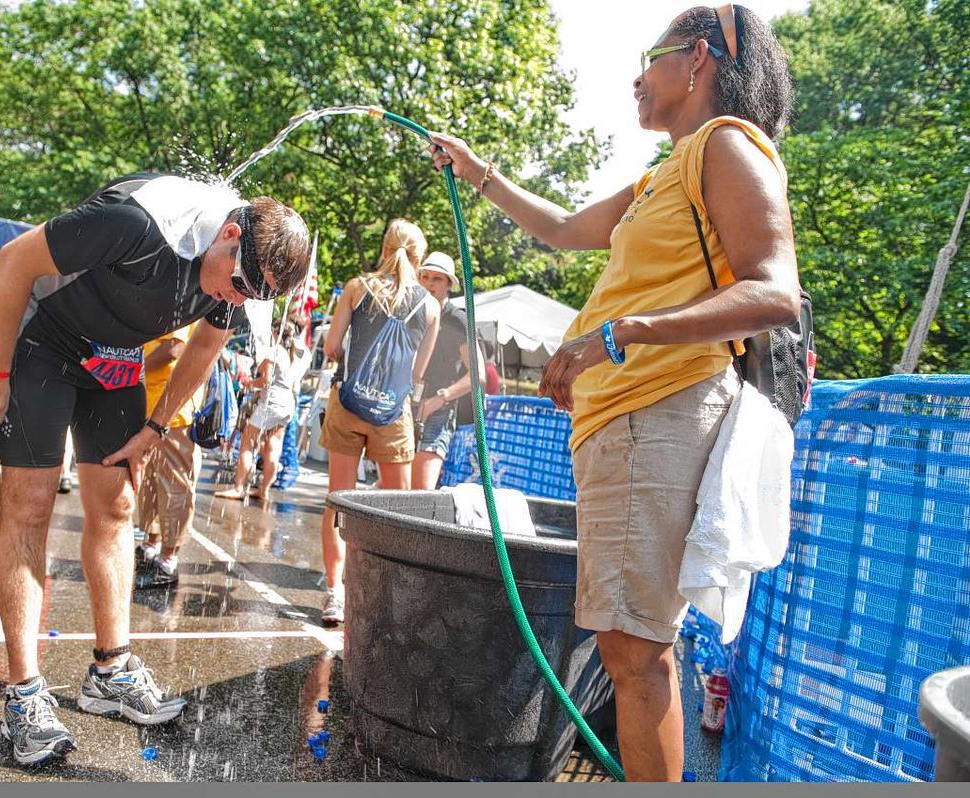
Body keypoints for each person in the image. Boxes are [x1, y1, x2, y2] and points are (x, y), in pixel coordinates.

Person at [429, 4, 799, 782]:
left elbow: (775, 294)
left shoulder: (727, 147)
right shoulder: (666, 171)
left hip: (657, 411)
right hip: (623, 421)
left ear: (697, 59)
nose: (636, 76)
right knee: (632, 648)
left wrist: (617, 332)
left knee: (637, 654)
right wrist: (478, 173)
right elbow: (563, 227)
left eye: (650, 57)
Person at [0, 172, 310, 765]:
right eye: (242, 283)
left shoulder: (237, 280)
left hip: (115, 359)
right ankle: (24, 693)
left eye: (257, 296)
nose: (239, 300)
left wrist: (155, 428)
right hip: (45, 342)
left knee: (118, 506)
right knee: (32, 504)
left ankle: (111, 670)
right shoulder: (135, 223)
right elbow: (15, 260)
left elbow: (203, 348)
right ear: (228, 235)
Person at [317, 219, 440, 625]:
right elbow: (418, 373)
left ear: (384, 248)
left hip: (348, 404)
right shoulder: (430, 306)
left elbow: (333, 347)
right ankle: (386, 598)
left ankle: (335, 593)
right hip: (393, 413)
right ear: (419, 258)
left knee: (339, 499)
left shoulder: (357, 288)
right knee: (396, 508)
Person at [133, 322, 205, 588]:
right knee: (151, 481)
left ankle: (168, 559)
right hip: (151, 404)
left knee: (174, 484)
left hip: (174, 409)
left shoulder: (184, 294)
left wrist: (131, 368)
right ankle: (151, 543)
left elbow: (173, 349)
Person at [410, 252, 486, 490]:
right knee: (395, 488)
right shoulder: (413, 312)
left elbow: (478, 374)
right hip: (404, 407)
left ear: (449, 284)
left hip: (438, 412)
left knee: (420, 493)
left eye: (437, 279)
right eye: (425, 277)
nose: (429, 283)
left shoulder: (457, 319)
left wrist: (439, 398)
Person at [216, 318, 310, 501]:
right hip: (288, 403)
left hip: (271, 402)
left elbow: (265, 380)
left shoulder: (273, 351)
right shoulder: (300, 354)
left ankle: (239, 488)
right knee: (273, 447)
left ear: (276, 332)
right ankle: (264, 491)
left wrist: (250, 383)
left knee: (247, 443)